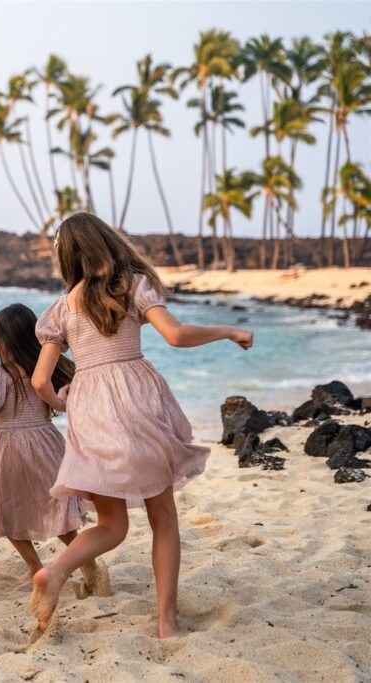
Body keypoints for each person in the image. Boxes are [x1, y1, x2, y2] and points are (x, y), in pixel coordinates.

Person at [28, 213, 254, 639]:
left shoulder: (60, 309)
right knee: (163, 516)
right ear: (106, 242)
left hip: (90, 407)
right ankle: (167, 623)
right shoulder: (129, 284)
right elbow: (176, 335)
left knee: (112, 525)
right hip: (135, 402)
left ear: (67, 256)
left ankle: (56, 570)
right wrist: (228, 330)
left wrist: (61, 401)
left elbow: (40, 380)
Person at [0, 304, 103, 594]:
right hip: (47, 445)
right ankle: (85, 563)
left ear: (11, 339)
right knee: (56, 510)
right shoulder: (45, 368)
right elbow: (80, 395)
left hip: (10, 448)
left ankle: (36, 565)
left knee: (6, 510)